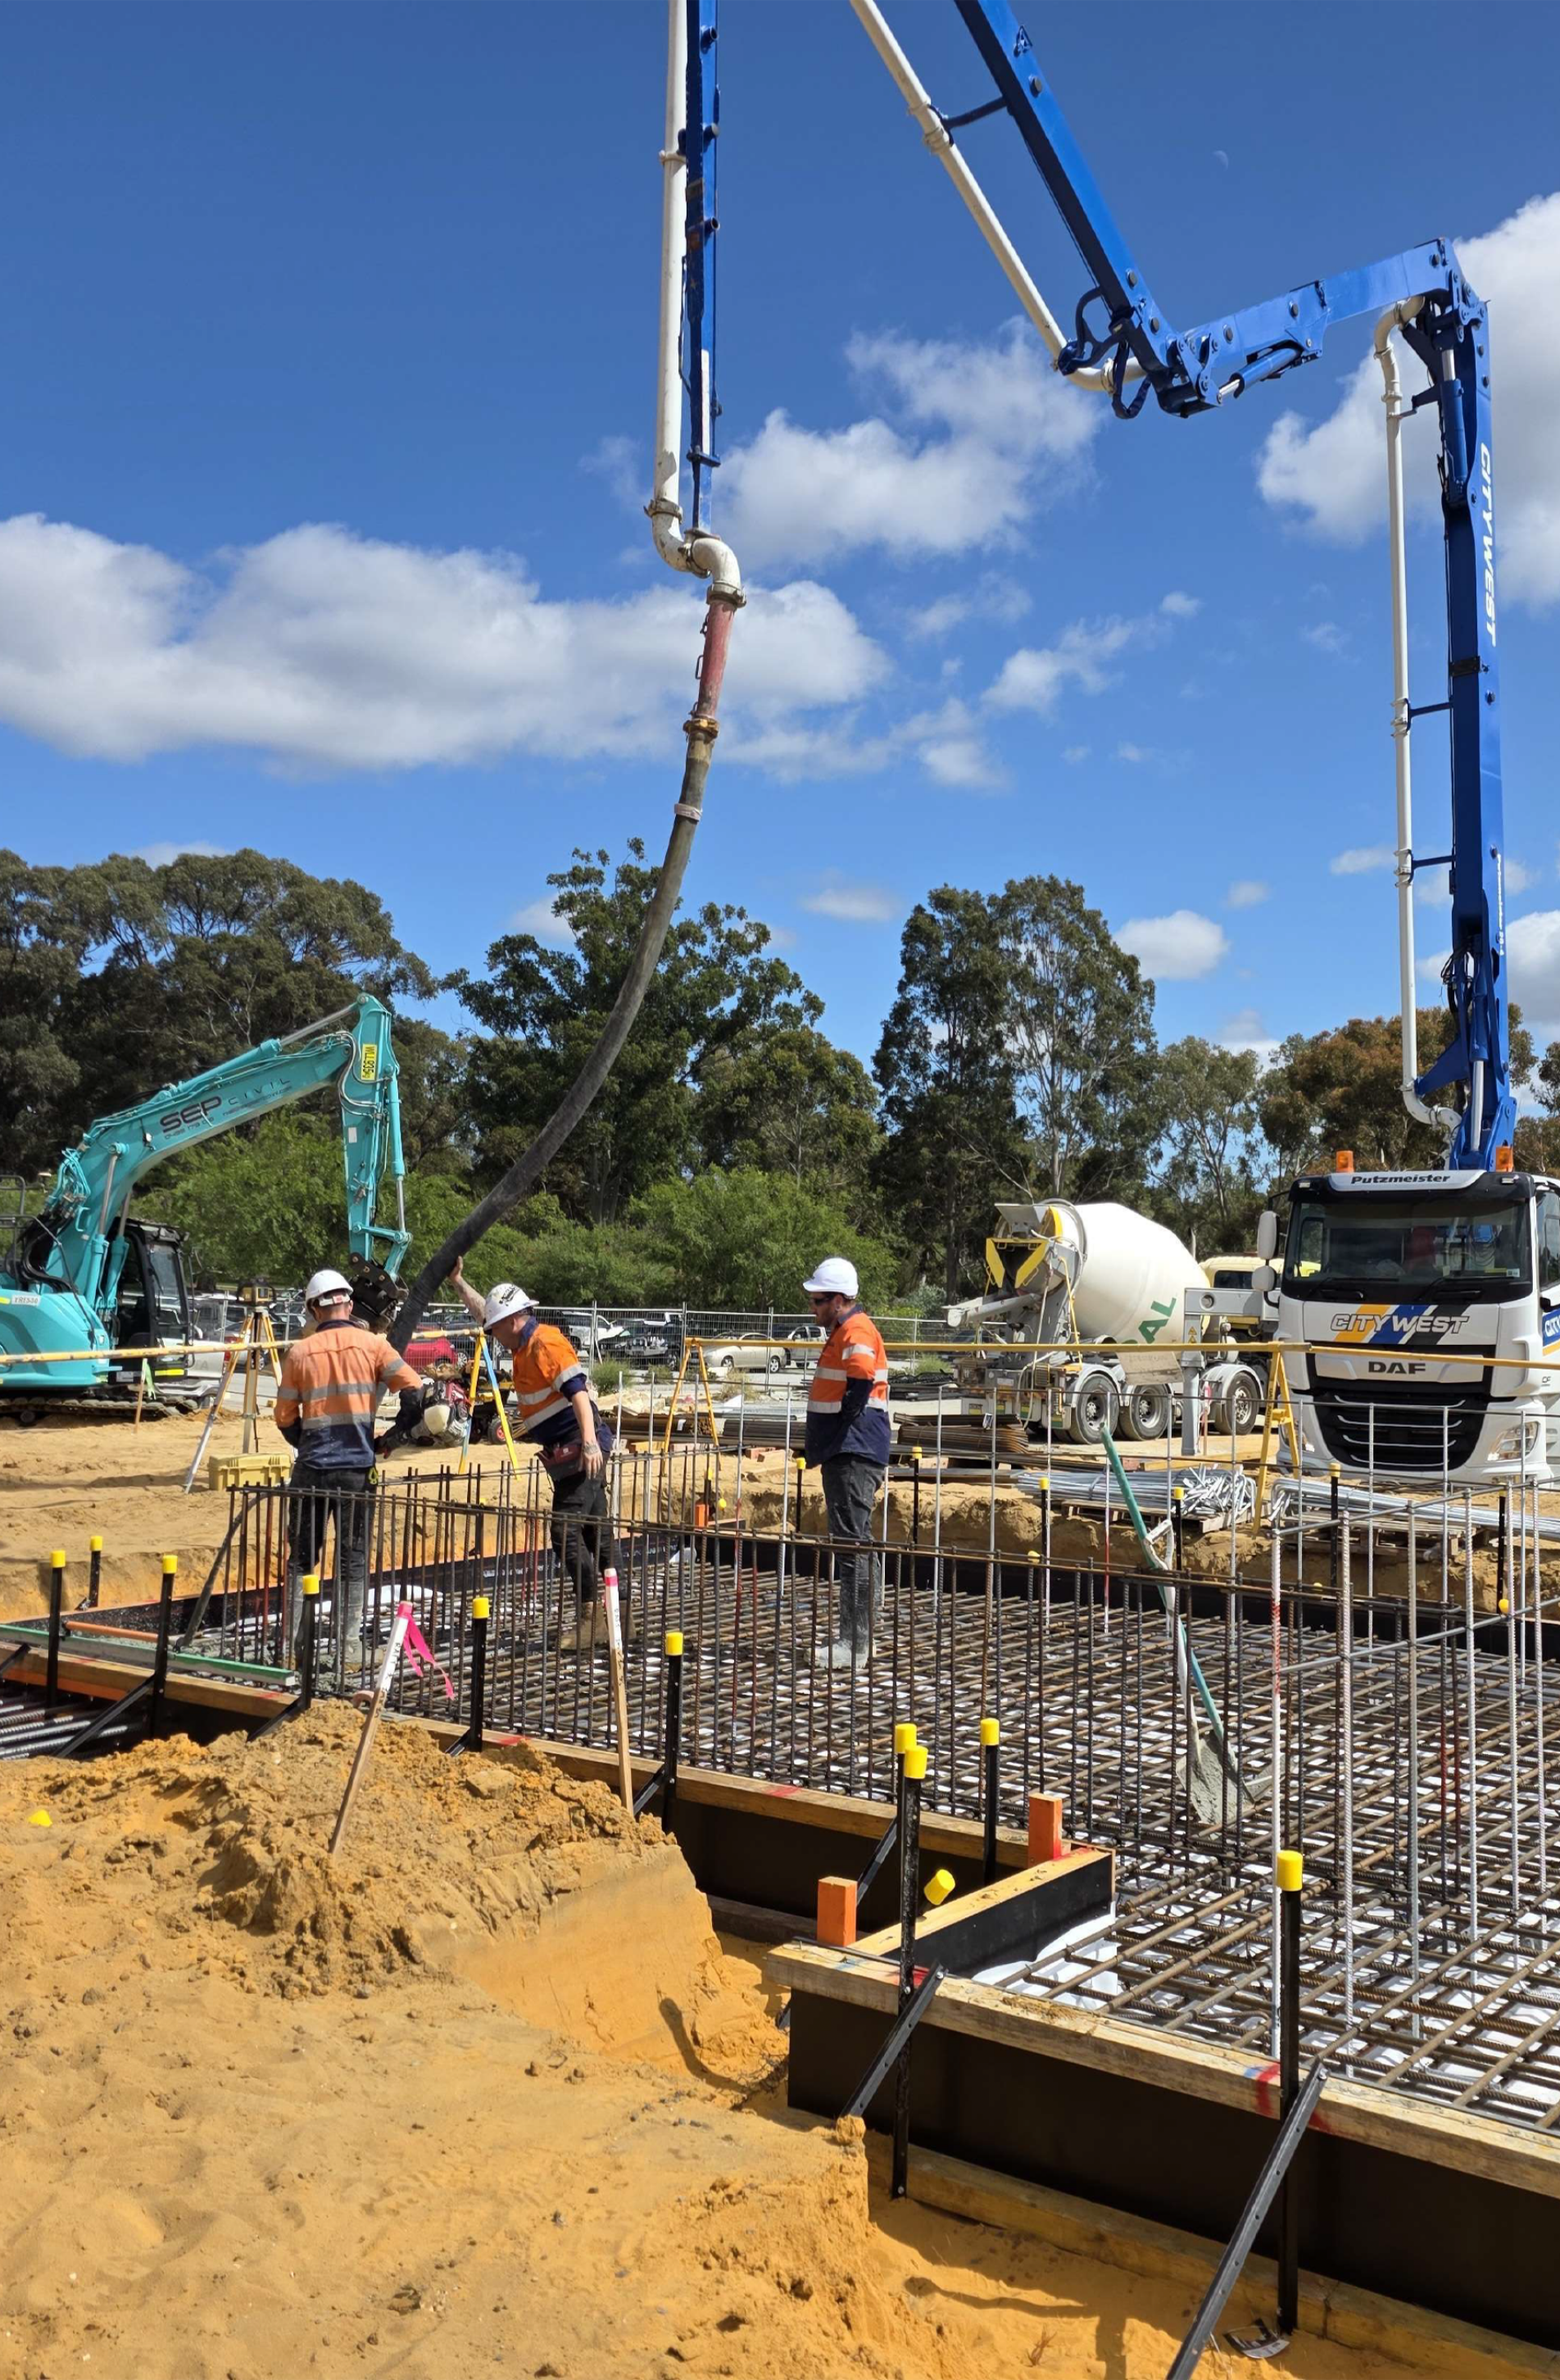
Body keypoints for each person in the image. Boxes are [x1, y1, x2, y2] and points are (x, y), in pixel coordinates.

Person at [446, 1259, 624, 1651]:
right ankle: (617, 1611)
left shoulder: (545, 1342)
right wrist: (458, 1283)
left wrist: (591, 1444)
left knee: (565, 1532)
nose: (493, 1333)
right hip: (569, 1450)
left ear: (513, 1320)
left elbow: (578, 1393)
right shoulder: (520, 1336)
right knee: (596, 1530)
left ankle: (594, 1615)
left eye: (496, 1327)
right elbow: (486, 1312)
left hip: (581, 1447)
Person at [273, 1267, 423, 1656]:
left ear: (312, 1310)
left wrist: (306, 1443)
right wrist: (392, 1437)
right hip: (358, 1469)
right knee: (353, 1558)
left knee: (303, 1557)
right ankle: (349, 1646)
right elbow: (415, 1390)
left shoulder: (300, 1353)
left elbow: (284, 1417)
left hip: (312, 1469)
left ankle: (291, 1645)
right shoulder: (373, 1346)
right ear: (350, 1304)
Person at [800, 1256, 891, 1669]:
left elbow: (860, 1381)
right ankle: (861, 1639)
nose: (813, 1308)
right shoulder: (846, 1328)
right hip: (849, 1449)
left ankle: (853, 1645)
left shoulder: (855, 1329)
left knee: (851, 1547)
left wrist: (838, 1432)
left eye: (818, 1300)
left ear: (839, 1300)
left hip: (852, 1451)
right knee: (857, 1545)